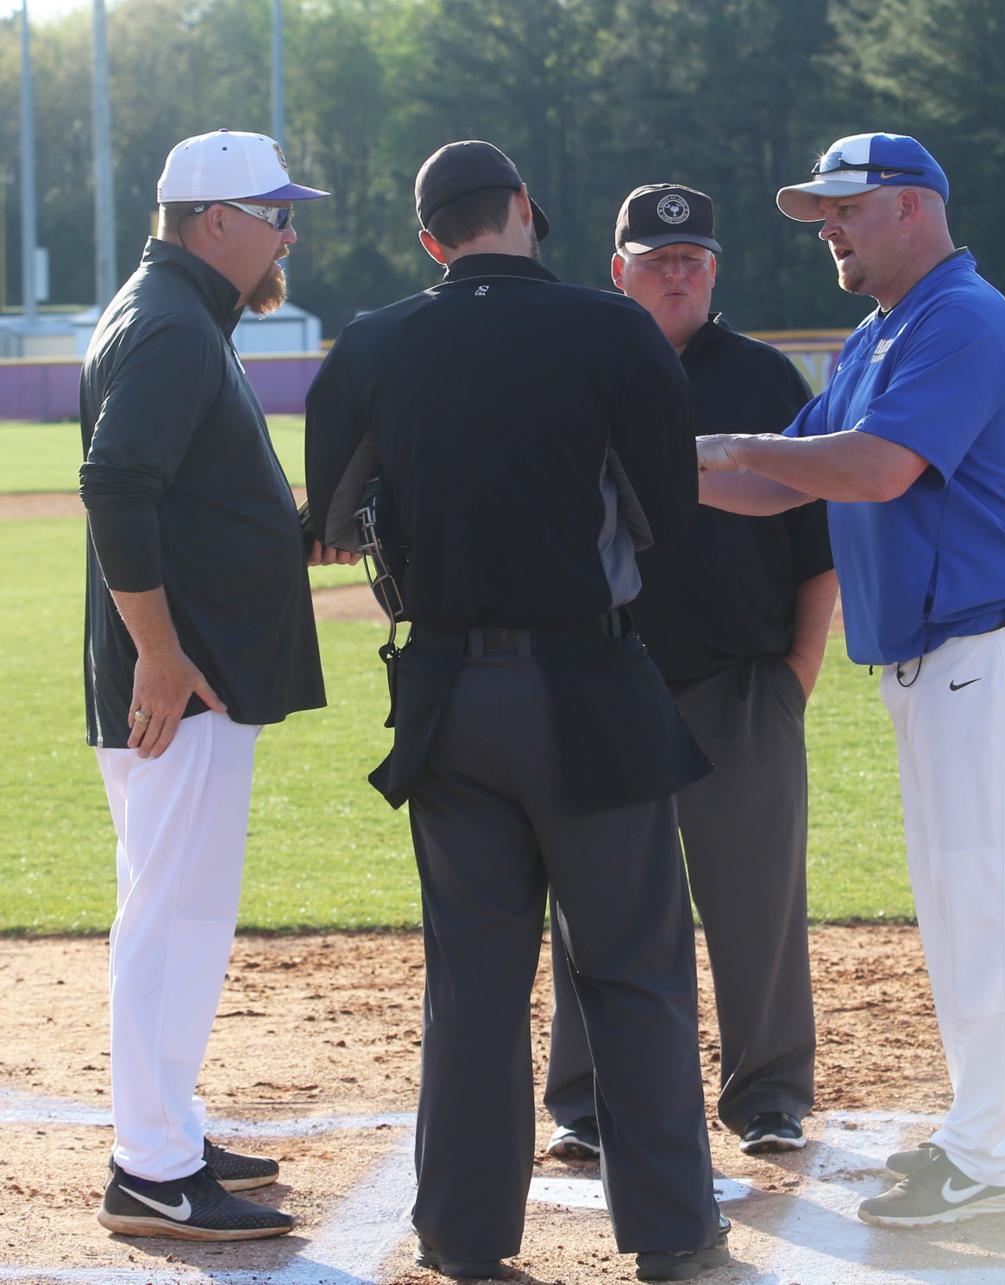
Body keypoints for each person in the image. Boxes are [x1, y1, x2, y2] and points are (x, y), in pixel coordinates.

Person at [304, 140, 728, 1282]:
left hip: (445, 696)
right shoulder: (613, 327)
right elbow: (667, 511)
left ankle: (462, 1233)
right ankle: (671, 1231)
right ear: (527, 213)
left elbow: (331, 521)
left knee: (474, 980)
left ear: (430, 239)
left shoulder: (376, 339)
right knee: (632, 967)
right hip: (591, 687)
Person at [696, 132, 1005, 1228]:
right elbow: (785, 485)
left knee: (983, 898)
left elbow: (874, 469)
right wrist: (664, 474)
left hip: (987, 643)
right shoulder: (883, 331)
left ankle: (987, 1159)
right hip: (942, 654)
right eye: (821, 212)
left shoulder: (960, 317)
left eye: (844, 208)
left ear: (912, 206)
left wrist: (730, 447)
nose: (827, 228)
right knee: (964, 898)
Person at [80, 128, 349, 1241]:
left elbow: (183, 496)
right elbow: (115, 483)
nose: (290, 234)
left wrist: (296, 531)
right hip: (178, 683)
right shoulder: (171, 323)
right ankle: (151, 1166)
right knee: (172, 920)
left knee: (180, 912)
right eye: (277, 215)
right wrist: (160, 651)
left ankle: (168, 1134)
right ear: (216, 222)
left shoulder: (176, 311)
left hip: (187, 675)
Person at [543, 184, 838, 1163]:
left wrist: (796, 670)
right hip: (604, 676)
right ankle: (588, 1099)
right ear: (618, 270)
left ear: (713, 270)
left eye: (693, 259)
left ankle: (768, 1094)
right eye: (657, 259)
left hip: (741, 682)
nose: (677, 274)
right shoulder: (576, 369)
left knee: (756, 903)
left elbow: (819, 542)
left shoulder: (765, 378)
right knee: (597, 899)